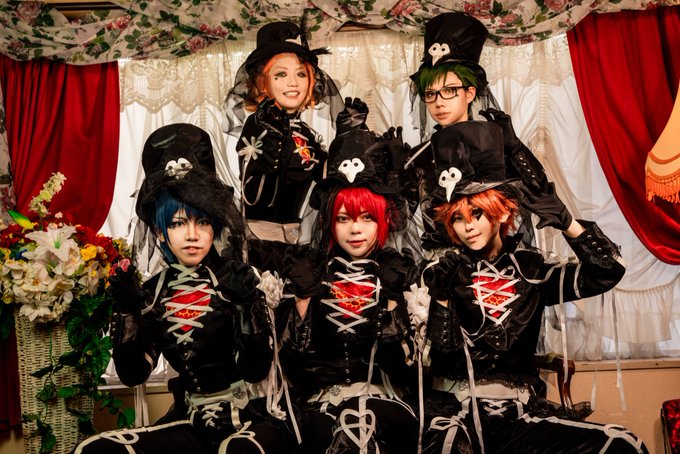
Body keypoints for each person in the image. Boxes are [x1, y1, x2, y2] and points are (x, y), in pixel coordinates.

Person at [419, 124, 648, 453]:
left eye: (477, 213)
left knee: (622, 444)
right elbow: (443, 360)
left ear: (501, 212)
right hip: (458, 415)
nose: (468, 226)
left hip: (521, 414)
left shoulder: (533, 270)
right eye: (457, 218)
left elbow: (608, 272)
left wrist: (568, 223)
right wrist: (441, 298)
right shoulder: (444, 272)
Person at [73, 124, 297, 454]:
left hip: (254, 419)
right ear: (159, 232)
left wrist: (246, 304)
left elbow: (254, 370)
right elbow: (134, 374)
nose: (192, 235)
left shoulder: (239, 278)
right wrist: (128, 312)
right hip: (192, 421)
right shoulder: (154, 293)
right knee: (97, 450)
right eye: (178, 223)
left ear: (215, 224)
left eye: (202, 221)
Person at [276, 127, 420, 453]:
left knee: (362, 424)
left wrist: (393, 302)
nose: (355, 229)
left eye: (367, 217)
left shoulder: (399, 273)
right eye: (344, 219)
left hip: (387, 406)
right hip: (321, 409)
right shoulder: (310, 275)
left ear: (383, 220)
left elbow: (406, 372)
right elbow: (292, 369)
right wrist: (302, 299)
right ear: (330, 223)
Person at [405, 12, 550, 256]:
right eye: (430, 93)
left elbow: (540, 194)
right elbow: (398, 219)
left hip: (497, 262)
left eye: (449, 90)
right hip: (444, 268)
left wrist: (514, 149)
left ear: (470, 93)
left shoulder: (495, 145)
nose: (439, 102)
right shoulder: (419, 157)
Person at [222, 21, 347, 272]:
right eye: (281, 74)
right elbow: (255, 194)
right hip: (261, 248)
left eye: (301, 74)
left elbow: (327, 183)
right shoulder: (257, 125)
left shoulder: (305, 133)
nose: (293, 83)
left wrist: (348, 138)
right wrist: (274, 143)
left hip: (299, 244)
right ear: (262, 82)